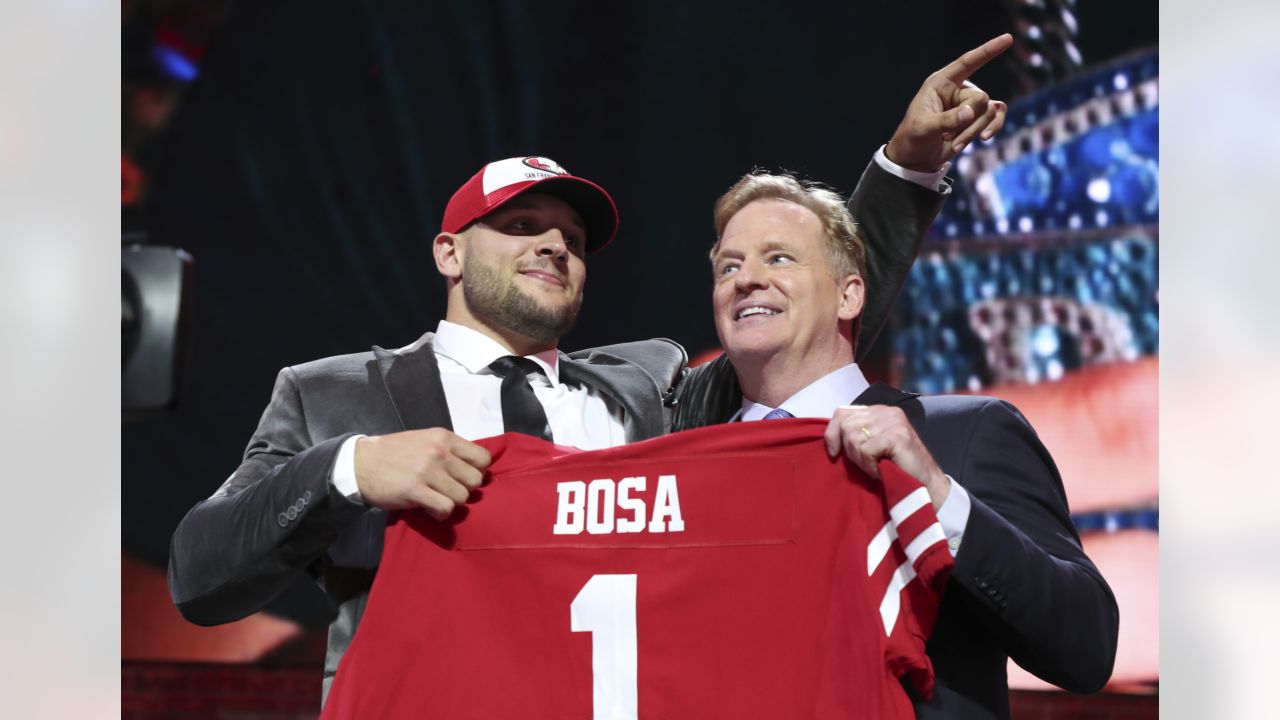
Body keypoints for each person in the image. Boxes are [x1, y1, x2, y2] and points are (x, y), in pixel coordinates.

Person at [167, 36, 1013, 704]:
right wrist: (350, 468)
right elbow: (202, 576)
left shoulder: (653, 393)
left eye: (570, 239)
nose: (553, 245)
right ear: (448, 254)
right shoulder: (334, 394)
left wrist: (906, 166)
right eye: (522, 224)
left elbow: (804, 323)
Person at [670, 165, 1119, 718]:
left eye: (779, 258)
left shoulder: (962, 434)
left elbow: (1086, 646)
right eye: (728, 266)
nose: (746, 279)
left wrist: (937, 493)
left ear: (851, 295)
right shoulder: (683, 463)